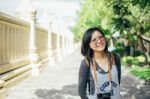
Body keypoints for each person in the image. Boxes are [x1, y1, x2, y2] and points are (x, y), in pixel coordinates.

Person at [78, 27, 121, 99]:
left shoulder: (115, 57)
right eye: (94, 40)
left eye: (101, 37)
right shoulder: (86, 63)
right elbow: (82, 93)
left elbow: (117, 82)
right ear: (89, 45)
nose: (99, 41)